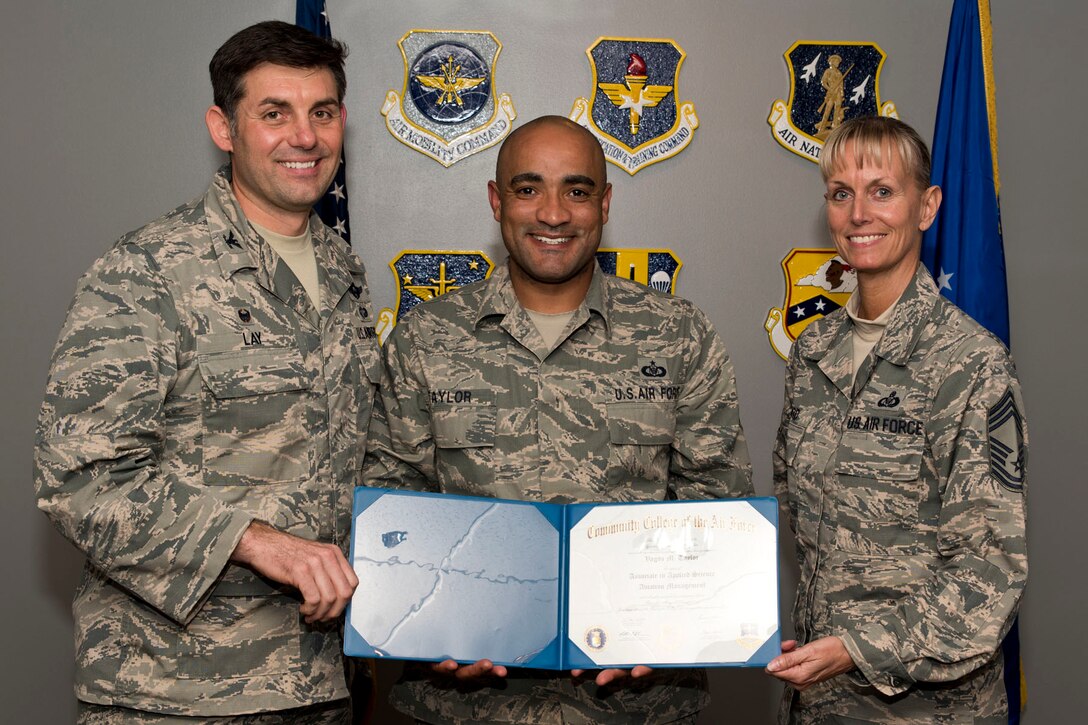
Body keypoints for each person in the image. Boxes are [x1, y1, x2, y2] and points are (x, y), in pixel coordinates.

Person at [34, 20, 382, 723]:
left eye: (321, 112)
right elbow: (80, 477)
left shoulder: (343, 276)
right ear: (224, 129)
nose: (304, 137)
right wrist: (258, 540)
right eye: (274, 113)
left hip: (321, 682)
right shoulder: (148, 271)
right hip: (175, 691)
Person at [365, 115, 754, 724]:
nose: (552, 213)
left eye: (576, 190)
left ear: (605, 203)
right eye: (528, 189)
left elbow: (716, 506)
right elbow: (391, 505)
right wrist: (427, 630)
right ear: (497, 202)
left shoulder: (677, 335)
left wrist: (669, 626)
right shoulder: (425, 338)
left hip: (635, 706)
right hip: (463, 706)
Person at [765, 116, 1028, 723]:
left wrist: (858, 648)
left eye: (882, 191)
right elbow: (806, 528)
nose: (859, 213)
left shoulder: (971, 364)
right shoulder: (813, 352)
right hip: (817, 701)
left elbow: (990, 571)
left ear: (927, 206)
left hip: (925, 710)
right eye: (841, 193)